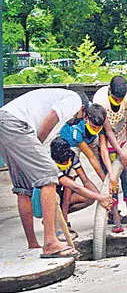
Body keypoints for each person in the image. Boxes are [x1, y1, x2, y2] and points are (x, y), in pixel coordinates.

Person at [0, 89, 89, 257]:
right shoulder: (74, 99)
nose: (75, 120)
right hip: (16, 124)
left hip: (4, 122)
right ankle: (50, 243)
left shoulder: (55, 99)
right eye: (80, 117)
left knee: (23, 188)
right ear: (81, 108)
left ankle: (33, 244)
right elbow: (53, 115)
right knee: (49, 175)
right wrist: (36, 143)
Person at [93, 76, 127, 233]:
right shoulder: (100, 99)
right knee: (112, 183)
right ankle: (116, 216)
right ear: (109, 91)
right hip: (106, 142)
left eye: (121, 99)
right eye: (115, 99)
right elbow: (107, 130)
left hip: (125, 142)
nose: (118, 102)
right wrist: (120, 152)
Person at [50, 137, 114, 241]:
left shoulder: (72, 157)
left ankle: (60, 219)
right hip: (44, 197)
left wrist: (101, 196)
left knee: (89, 197)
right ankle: (58, 226)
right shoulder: (49, 164)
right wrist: (100, 197)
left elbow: (85, 180)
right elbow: (74, 186)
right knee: (55, 196)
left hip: (63, 189)